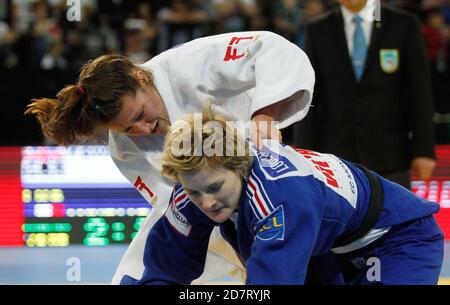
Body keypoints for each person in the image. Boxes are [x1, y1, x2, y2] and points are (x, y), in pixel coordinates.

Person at [25, 31, 315, 284]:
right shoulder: (124, 147)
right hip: (214, 205)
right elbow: (171, 204)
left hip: (269, 173)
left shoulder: (189, 64)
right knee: (139, 267)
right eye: (128, 128)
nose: (143, 129)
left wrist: (265, 116)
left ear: (141, 77)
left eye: (140, 115)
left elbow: (274, 49)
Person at [131, 105, 444, 285]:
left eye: (215, 188)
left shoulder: (279, 198)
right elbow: (164, 272)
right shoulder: (193, 187)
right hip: (325, 249)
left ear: (240, 167)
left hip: (398, 239)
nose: (207, 202)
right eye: (194, 191)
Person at [285, 0, 436, 189]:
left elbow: (419, 92)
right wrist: (303, 153)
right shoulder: (317, 29)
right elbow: (307, 95)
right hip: (334, 158)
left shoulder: (402, 23)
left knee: (394, 217)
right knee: (340, 218)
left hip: (391, 153)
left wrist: (424, 150)